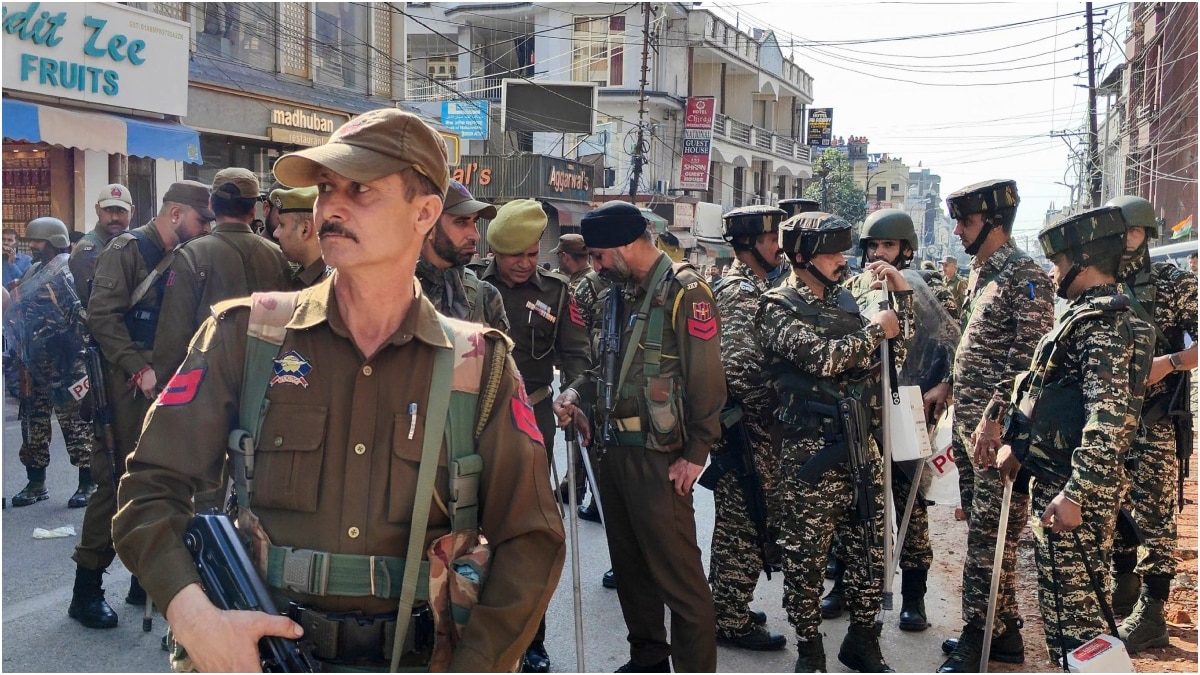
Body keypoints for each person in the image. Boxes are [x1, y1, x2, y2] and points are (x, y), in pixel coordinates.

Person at [111, 108, 566, 672]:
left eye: (361, 190)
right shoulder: (244, 336)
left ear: (425, 211)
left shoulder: (478, 365)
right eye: (326, 188)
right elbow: (150, 488)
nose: (331, 207)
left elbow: (531, 538)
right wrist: (195, 619)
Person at [554, 200, 724, 673]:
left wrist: (696, 453)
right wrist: (573, 395)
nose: (595, 265)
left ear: (628, 245)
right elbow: (598, 369)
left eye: (600, 255)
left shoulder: (686, 294)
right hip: (614, 455)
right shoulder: (616, 295)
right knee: (631, 573)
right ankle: (647, 660)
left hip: (661, 459)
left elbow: (708, 381)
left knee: (682, 584)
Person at [996, 206, 1154, 666]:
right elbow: (1052, 400)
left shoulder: (1103, 325)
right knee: (1065, 612)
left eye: (1060, 263)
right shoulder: (1087, 317)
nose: (1052, 272)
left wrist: (1076, 494)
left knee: (1077, 624)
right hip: (1061, 480)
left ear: (1084, 260)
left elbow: (1108, 421)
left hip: (1074, 491)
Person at [755, 211, 911, 673]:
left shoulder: (848, 301)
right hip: (811, 452)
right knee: (805, 558)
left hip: (861, 443)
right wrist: (875, 330)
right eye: (831, 252)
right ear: (801, 256)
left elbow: (892, 354)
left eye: (842, 250)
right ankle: (810, 650)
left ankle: (863, 640)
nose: (842, 260)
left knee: (870, 549)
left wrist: (898, 307)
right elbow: (823, 358)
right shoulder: (777, 307)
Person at [72, 181, 214, 629]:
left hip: (165, 382)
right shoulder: (127, 249)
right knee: (116, 481)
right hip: (125, 383)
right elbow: (102, 316)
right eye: (200, 219)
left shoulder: (186, 254)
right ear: (175, 215)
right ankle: (86, 588)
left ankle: (143, 577)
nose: (206, 227)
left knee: (160, 480)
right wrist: (137, 367)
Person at [937, 179, 1054, 672]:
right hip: (969, 427)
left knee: (992, 538)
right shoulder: (982, 272)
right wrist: (947, 386)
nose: (959, 231)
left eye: (966, 221)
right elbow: (973, 346)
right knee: (982, 527)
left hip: (995, 432)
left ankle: (978, 635)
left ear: (993, 222)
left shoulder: (1026, 275)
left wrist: (995, 419)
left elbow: (1029, 361)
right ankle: (1003, 634)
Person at [477, 198, 590, 673]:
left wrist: (574, 395)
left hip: (534, 419)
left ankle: (531, 639)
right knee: (470, 532)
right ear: (495, 252)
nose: (524, 263)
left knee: (527, 534)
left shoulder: (559, 293)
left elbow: (581, 358)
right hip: (475, 420)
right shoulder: (473, 289)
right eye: (513, 255)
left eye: (530, 252)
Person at [834, 208, 957, 634]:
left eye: (887, 246)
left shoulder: (927, 286)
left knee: (910, 504)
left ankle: (914, 598)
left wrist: (941, 388)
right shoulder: (851, 286)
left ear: (905, 249)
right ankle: (843, 586)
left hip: (909, 407)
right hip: (864, 409)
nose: (879, 253)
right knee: (851, 501)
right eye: (873, 245)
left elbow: (952, 345)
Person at [1106, 195, 1198, 652]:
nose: (1125, 241)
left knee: (1155, 514)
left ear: (1147, 235)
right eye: (1118, 232)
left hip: (1156, 418)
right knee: (1112, 503)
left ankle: (1154, 609)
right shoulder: (1095, 279)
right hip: (1106, 417)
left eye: (1134, 232)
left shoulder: (1173, 281)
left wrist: (1172, 361)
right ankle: (1123, 585)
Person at [705, 205, 788, 651]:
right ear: (751, 243)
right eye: (772, 239)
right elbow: (739, 368)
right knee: (746, 519)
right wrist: (772, 417)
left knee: (738, 518)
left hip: (746, 427)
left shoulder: (754, 286)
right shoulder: (741, 291)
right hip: (748, 429)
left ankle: (726, 605)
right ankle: (732, 619)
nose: (779, 247)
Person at [153, 168, 292, 383]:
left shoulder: (190, 255)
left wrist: (166, 387)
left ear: (211, 205)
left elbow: (173, 337)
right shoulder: (278, 256)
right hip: (264, 384)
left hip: (206, 387)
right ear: (253, 210)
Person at [3, 217, 95, 509]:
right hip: (35, 363)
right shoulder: (33, 271)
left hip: (67, 364)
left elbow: (81, 316)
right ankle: (35, 483)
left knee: (76, 424)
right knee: (34, 426)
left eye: (38, 241)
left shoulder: (69, 273)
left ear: (54, 241)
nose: (33, 246)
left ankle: (87, 482)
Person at [415, 179, 508, 331]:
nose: (475, 235)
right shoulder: (399, 293)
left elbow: (499, 353)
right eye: (461, 222)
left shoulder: (485, 295)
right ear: (429, 226)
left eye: (475, 222)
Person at [70, 184, 134, 307]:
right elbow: (92, 305)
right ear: (97, 209)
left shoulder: (129, 244)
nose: (114, 217)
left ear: (132, 211)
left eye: (121, 210)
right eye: (108, 210)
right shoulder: (87, 250)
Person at [267, 186, 331, 289]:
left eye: (282, 224)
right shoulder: (302, 277)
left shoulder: (332, 285)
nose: (276, 233)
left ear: (305, 229)